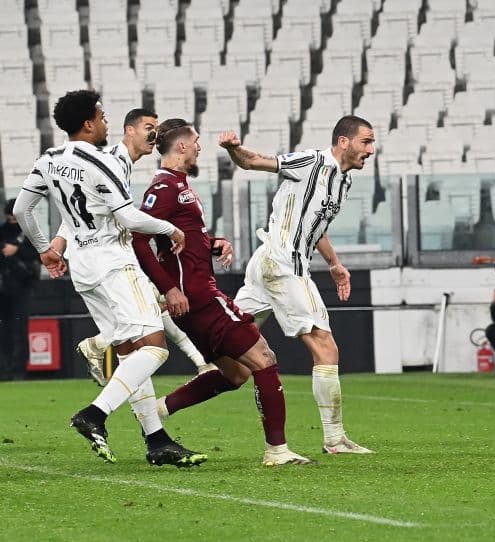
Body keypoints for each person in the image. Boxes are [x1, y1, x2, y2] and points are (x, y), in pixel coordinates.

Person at [12, 89, 203, 467]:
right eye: (102, 116)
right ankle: (95, 414)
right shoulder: (102, 162)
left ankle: (156, 440)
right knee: (155, 346)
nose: (106, 122)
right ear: (89, 123)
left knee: (132, 352)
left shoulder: (48, 159)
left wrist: (46, 249)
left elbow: (23, 208)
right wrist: (170, 229)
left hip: (82, 269)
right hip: (114, 262)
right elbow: (129, 218)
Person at [135, 119, 312, 466]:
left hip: (194, 296)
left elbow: (179, 236)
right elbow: (139, 238)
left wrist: (212, 244)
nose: (200, 146)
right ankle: (277, 451)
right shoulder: (165, 186)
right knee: (264, 360)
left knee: (236, 374)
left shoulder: (178, 186)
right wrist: (169, 288)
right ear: (182, 146)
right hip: (198, 297)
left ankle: (158, 412)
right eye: (196, 141)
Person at [218, 116, 375, 455]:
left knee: (227, 344)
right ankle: (334, 439)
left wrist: (334, 264)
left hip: (268, 264)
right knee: (326, 347)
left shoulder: (344, 182)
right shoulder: (312, 161)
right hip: (284, 264)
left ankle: (159, 407)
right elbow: (254, 161)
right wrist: (234, 149)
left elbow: (316, 228)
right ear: (344, 142)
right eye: (366, 142)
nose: (371, 150)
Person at [75, 107, 217, 386]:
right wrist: (169, 229)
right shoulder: (116, 163)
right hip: (111, 257)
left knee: (148, 319)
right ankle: (200, 363)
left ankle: (195, 368)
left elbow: (84, 205)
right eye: (149, 127)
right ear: (130, 130)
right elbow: (126, 221)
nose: (155, 133)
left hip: (113, 254)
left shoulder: (126, 165)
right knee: (151, 330)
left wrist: (209, 243)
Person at [0, 199, 40, 380]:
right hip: (4, 288)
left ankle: (18, 371)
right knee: (4, 331)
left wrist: (17, 250)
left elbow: (38, 255)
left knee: (19, 331)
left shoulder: (30, 233)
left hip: (22, 287)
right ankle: (4, 370)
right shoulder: (3, 232)